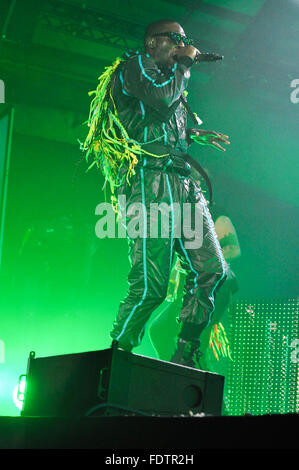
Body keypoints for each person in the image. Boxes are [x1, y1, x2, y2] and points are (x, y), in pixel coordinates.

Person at [83, 19, 231, 368]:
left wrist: (193, 135)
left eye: (185, 40)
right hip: (149, 183)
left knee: (213, 269)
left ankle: (185, 348)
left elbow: (162, 121)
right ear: (152, 42)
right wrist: (185, 64)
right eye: (175, 38)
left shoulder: (169, 80)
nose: (183, 44)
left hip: (182, 182)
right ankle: (117, 354)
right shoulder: (134, 66)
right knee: (151, 286)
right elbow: (162, 101)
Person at [148, 196, 241, 368]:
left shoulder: (216, 215)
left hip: (214, 288)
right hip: (192, 288)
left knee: (194, 347)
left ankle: (202, 388)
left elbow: (234, 249)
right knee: (159, 330)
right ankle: (175, 374)